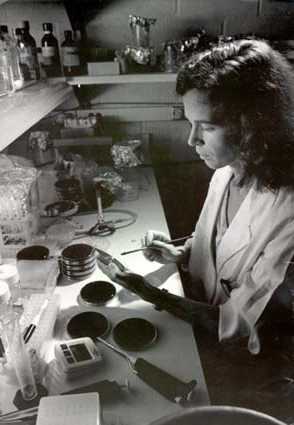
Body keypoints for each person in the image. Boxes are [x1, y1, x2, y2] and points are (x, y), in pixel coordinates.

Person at [101, 39, 294, 421]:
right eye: (190, 123)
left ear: (253, 125)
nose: (191, 140)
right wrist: (185, 253)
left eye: (206, 126)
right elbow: (227, 242)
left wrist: (148, 291)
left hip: (254, 372)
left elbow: (240, 325)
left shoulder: (289, 210)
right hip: (203, 336)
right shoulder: (227, 172)